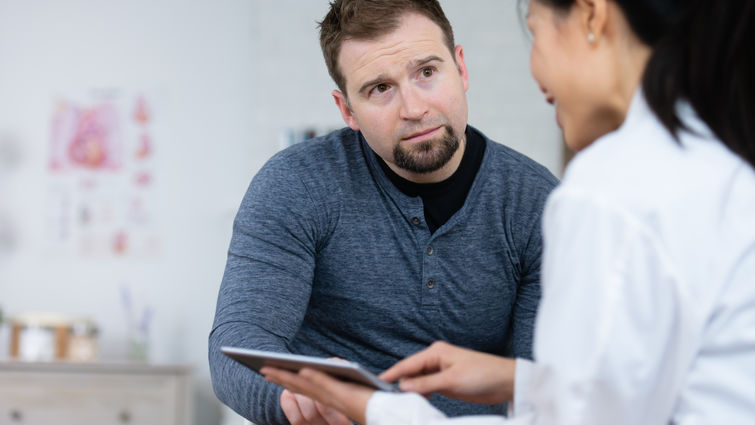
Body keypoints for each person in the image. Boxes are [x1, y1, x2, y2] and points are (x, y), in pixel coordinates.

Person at [261, 0, 755, 424]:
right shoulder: (724, 164)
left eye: (535, 33)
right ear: (346, 108)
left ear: (591, 16)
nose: (536, 70)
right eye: (379, 89)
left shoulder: (606, 192)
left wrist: (377, 410)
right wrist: (518, 379)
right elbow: (632, 393)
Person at [209, 0, 558, 424]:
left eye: (427, 72)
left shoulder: (537, 203)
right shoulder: (296, 184)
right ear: (347, 110)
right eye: (380, 88)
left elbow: (542, 388)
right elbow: (239, 342)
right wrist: (288, 400)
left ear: (461, 68)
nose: (413, 108)